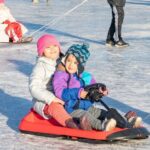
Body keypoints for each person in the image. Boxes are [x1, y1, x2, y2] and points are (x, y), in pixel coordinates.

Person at [53, 43, 142, 131]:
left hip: (87, 106)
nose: (71, 65)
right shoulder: (61, 75)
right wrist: (78, 93)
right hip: (71, 109)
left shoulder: (84, 76)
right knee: (86, 116)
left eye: (75, 62)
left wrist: (100, 91)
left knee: (102, 113)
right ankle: (102, 125)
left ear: (80, 65)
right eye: (68, 61)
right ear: (65, 60)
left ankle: (125, 121)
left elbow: (94, 86)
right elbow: (60, 92)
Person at [29, 34, 92, 130]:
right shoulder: (40, 67)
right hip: (45, 100)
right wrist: (51, 98)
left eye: (54, 46)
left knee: (77, 100)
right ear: (42, 52)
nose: (52, 49)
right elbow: (34, 88)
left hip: (61, 94)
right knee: (56, 107)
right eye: (47, 47)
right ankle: (71, 123)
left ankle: (94, 118)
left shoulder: (62, 62)